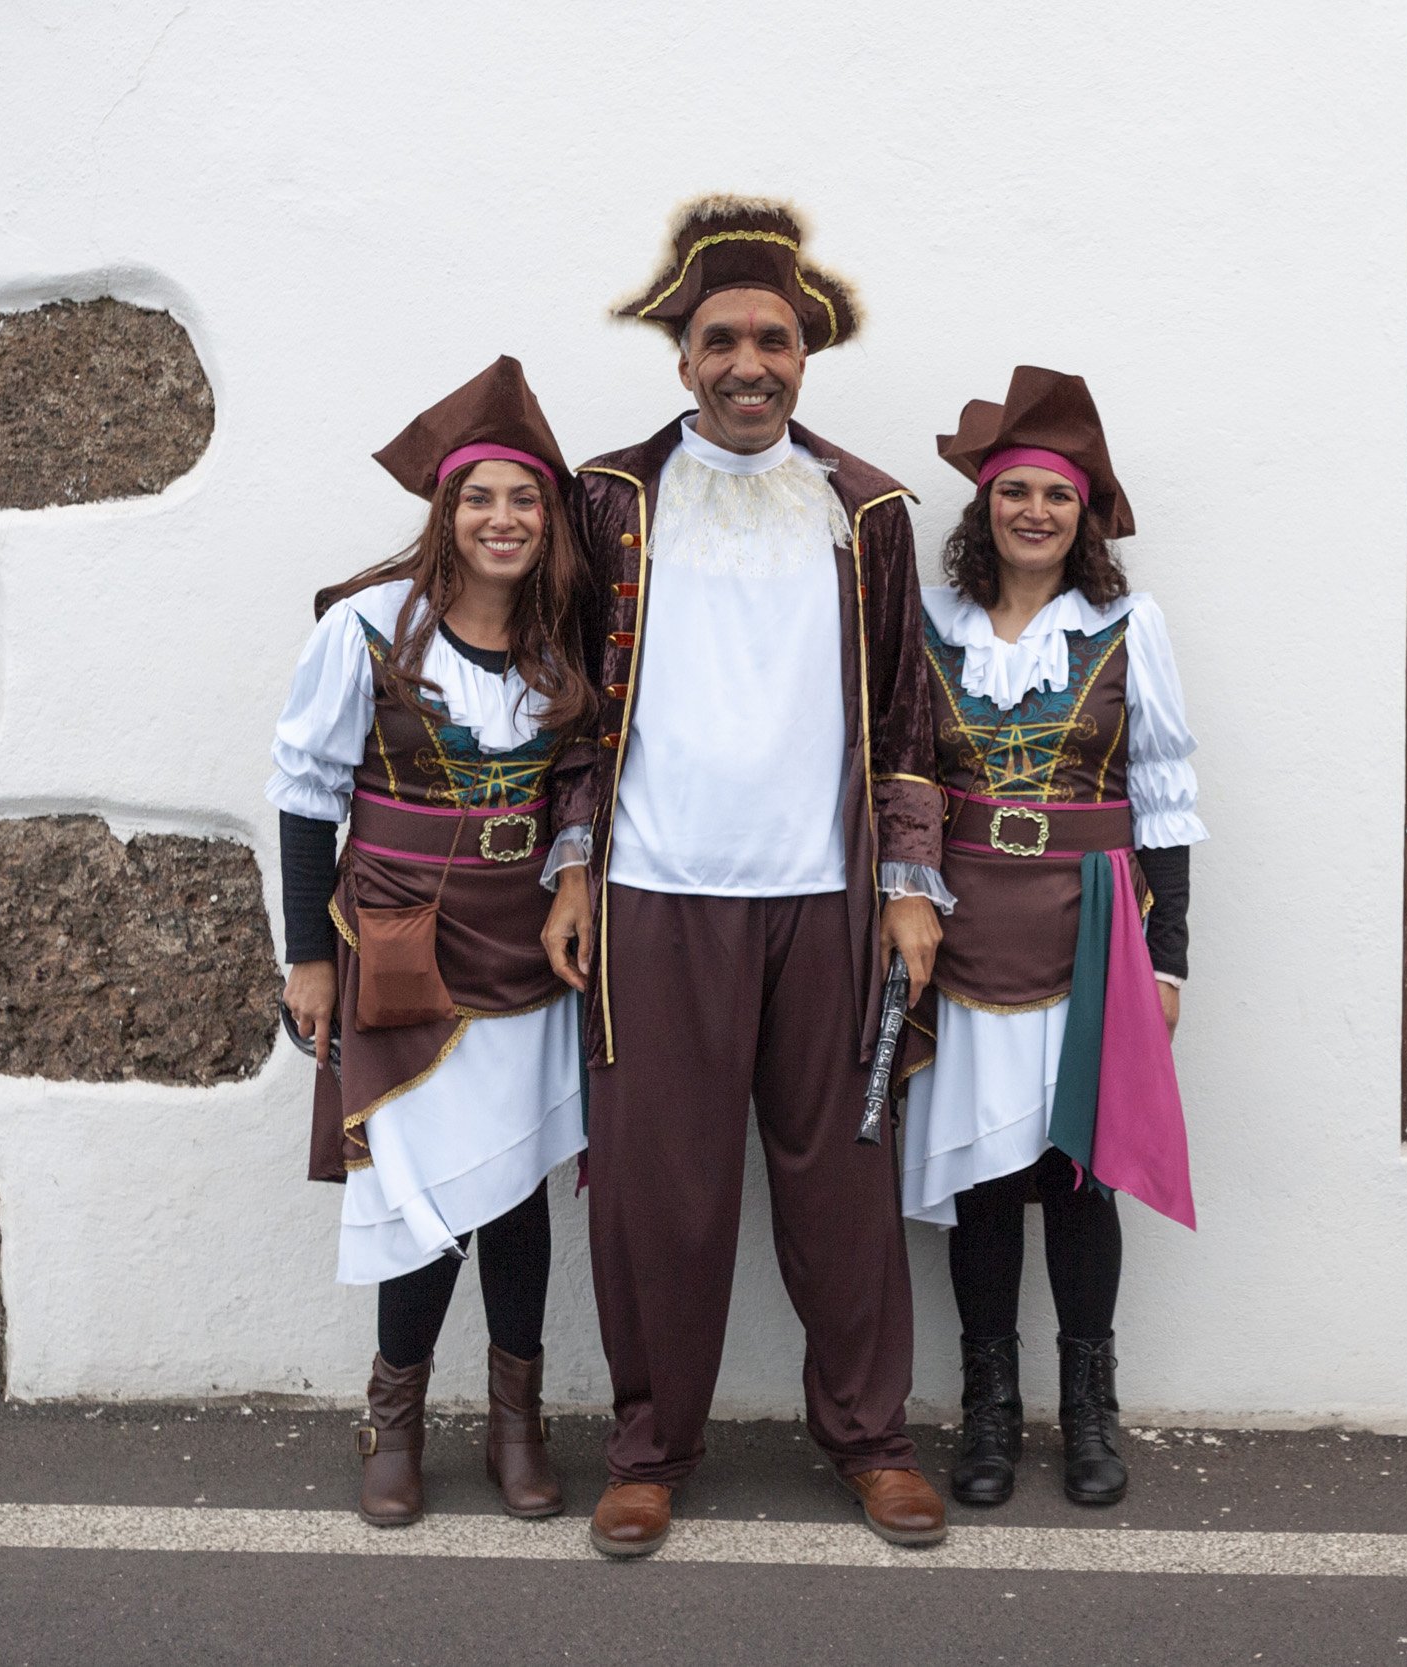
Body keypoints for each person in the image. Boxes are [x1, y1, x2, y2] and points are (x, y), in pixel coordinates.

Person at [553, 196, 951, 1558]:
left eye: (773, 339)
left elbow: (906, 711)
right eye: (720, 337)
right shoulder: (607, 500)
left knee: (843, 1178)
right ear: (681, 356)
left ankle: (872, 1440)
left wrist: (910, 883)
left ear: (806, 352)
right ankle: (650, 1447)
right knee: (662, 1188)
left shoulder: (871, 508)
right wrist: (568, 868)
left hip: (826, 897)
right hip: (653, 895)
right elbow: (565, 703)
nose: (748, 363)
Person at [267, 357, 600, 1527]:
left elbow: (578, 785)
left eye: (525, 500)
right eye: (480, 499)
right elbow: (309, 794)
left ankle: (518, 1424)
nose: (503, 520)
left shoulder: (568, 640)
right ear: (445, 512)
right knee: (417, 1187)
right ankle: (394, 1421)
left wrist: (573, 876)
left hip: (528, 947)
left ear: (547, 522)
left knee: (510, 1192)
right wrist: (309, 956)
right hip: (403, 943)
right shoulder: (365, 627)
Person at [898, 366, 1206, 1510]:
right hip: (965, 924)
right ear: (982, 508)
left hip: (1090, 927)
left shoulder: (1128, 626)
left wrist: (1166, 952)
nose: (1034, 510)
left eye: (1057, 497)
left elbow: (1164, 794)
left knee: (1079, 1171)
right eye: (1014, 491)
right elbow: (904, 776)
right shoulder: (927, 625)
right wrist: (906, 893)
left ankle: (1088, 1407)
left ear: (1085, 518)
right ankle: (988, 1406)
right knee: (982, 1174)